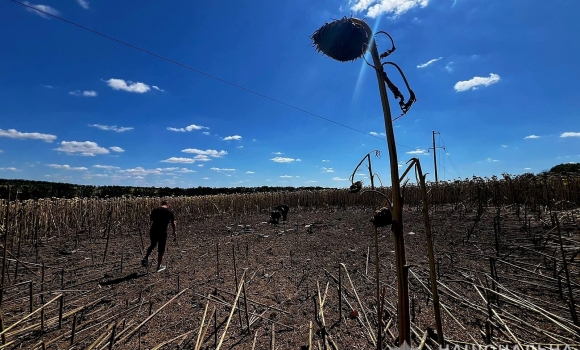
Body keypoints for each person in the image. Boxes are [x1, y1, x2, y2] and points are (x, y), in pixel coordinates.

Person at [141, 200, 176, 272]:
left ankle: (146, 257)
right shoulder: (169, 212)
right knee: (161, 249)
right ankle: (159, 266)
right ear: (167, 204)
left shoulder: (155, 210)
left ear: (161, 204)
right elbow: (173, 223)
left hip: (153, 230)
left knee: (153, 245)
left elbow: (151, 219)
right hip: (162, 232)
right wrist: (174, 231)